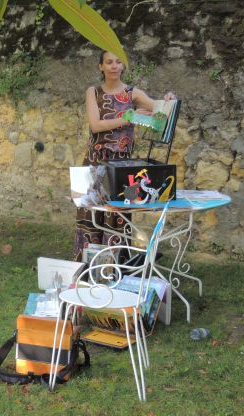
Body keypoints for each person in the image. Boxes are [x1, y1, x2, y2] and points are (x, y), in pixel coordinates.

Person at [73, 50, 175, 261]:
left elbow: (161, 111)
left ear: (123, 66)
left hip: (123, 165)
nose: (114, 66)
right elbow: (96, 125)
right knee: (90, 213)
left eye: (118, 62)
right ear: (101, 66)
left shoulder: (133, 93)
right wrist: (129, 118)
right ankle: (88, 267)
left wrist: (168, 101)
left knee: (118, 216)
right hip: (95, 162)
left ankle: (115, 267)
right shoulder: (93, 92)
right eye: (109, 62)